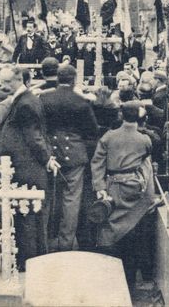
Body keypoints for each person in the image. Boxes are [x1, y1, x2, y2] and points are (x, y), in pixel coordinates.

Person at [0, 64, 58, 268]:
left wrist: (46, 158)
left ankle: (29, 262)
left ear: (18, 80)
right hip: (24, 166)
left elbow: (34, 137)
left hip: (27, 168)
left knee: (28, 219)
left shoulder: (25, 104)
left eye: (6, 82)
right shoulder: (24, 100)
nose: (2, 86)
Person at [91, 101, 156, 289]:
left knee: (111, 228)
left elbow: (97, 163)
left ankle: (110, 276)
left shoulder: (108, 137)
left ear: (122, 116)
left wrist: (99, 187)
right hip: (135, 189)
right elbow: (147, 158)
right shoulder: (144, 140)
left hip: (112, 187)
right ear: (139, 117)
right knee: (132, 229)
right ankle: (129, 279)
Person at [40, 64, 99, 252]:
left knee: (48, 197)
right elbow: (92, 130)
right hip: (74, 153)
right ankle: (66, 244)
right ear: (74, 80)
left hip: (49, 153)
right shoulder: (81, 101)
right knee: (71, 199)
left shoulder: (44, 98)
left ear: (57, 78)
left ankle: (47, 243)